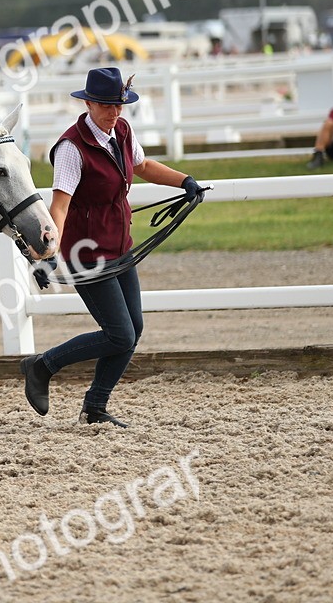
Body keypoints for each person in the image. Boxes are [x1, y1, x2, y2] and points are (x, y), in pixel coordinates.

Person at [20, 67, 205, 428]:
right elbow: (60, 205)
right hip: (86, 253)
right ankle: (42, 366)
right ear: (88, 102)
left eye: (118, 105)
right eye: (105, 105)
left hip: (119, 247)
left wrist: (184, 181)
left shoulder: (121, 131)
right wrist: (48, 254)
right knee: (119, 333)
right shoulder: (72, 148)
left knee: (132, 332)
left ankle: (95, 406)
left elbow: (143, 165)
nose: (113, 112)